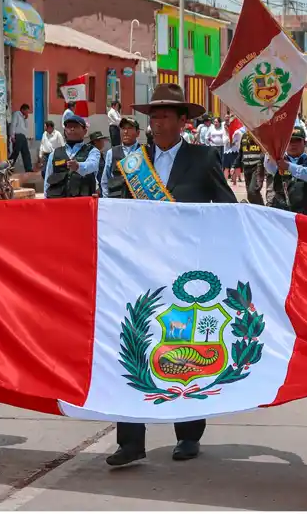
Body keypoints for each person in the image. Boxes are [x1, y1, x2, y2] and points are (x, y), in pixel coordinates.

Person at [105, 83, 236, 466]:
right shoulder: (132, 162)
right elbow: (116, 212)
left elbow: (225, 209)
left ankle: (188, 433)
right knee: (131, 345)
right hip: (138, 270)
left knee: (186, 347)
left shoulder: (203, 157)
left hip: (185, 271)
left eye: (165, 114)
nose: (156, 120)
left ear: (183, 121)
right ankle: (130, 440)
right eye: (153, 114)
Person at [264, 128, 307, 215]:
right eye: (290, 141)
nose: (293, 144)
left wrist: (288, 166)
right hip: (281, 213)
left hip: (305, 215)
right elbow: (269, 166)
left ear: (305, 143)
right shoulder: (278, 160)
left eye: (297, 141)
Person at [43, 114, 100, 199]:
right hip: (59, 204)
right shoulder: (54, 154)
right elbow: (47, 181)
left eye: (76, 126)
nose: (72, 129)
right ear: (65, 131)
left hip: (82, 204)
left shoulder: (92, 151)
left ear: (85, 131)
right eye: (69, 127)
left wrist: (78, 166)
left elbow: (92, 165)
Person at [100, 117, 141, 198]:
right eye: (123, 128)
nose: (125, 132)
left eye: (130, 128)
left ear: (138, 133)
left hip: (138, 203)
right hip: (116, 202)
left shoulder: (144, 152)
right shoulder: (111, 153)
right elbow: (105, 181)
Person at [234, 128, 265, 205]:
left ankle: (263, 210)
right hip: (246, 167)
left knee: (253, 191)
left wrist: (261, 162)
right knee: (250, 195)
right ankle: (258, 210)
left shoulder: (260, 135)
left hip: (257, 166)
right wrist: (235, 165)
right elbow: (241, 153)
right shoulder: (244, 136)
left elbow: (265, 150)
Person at [10, 104, 33, 173]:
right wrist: (12, 136)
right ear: (23, 109)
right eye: (26, 111)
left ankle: (28, 168)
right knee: (15, 152)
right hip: (18, 136)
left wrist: (25, 118)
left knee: (26, 153)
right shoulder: (16, 114)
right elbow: (13, 125)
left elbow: (25, 127)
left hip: (23, 136)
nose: (27, 113)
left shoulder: (23, 117)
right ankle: (9, 166)